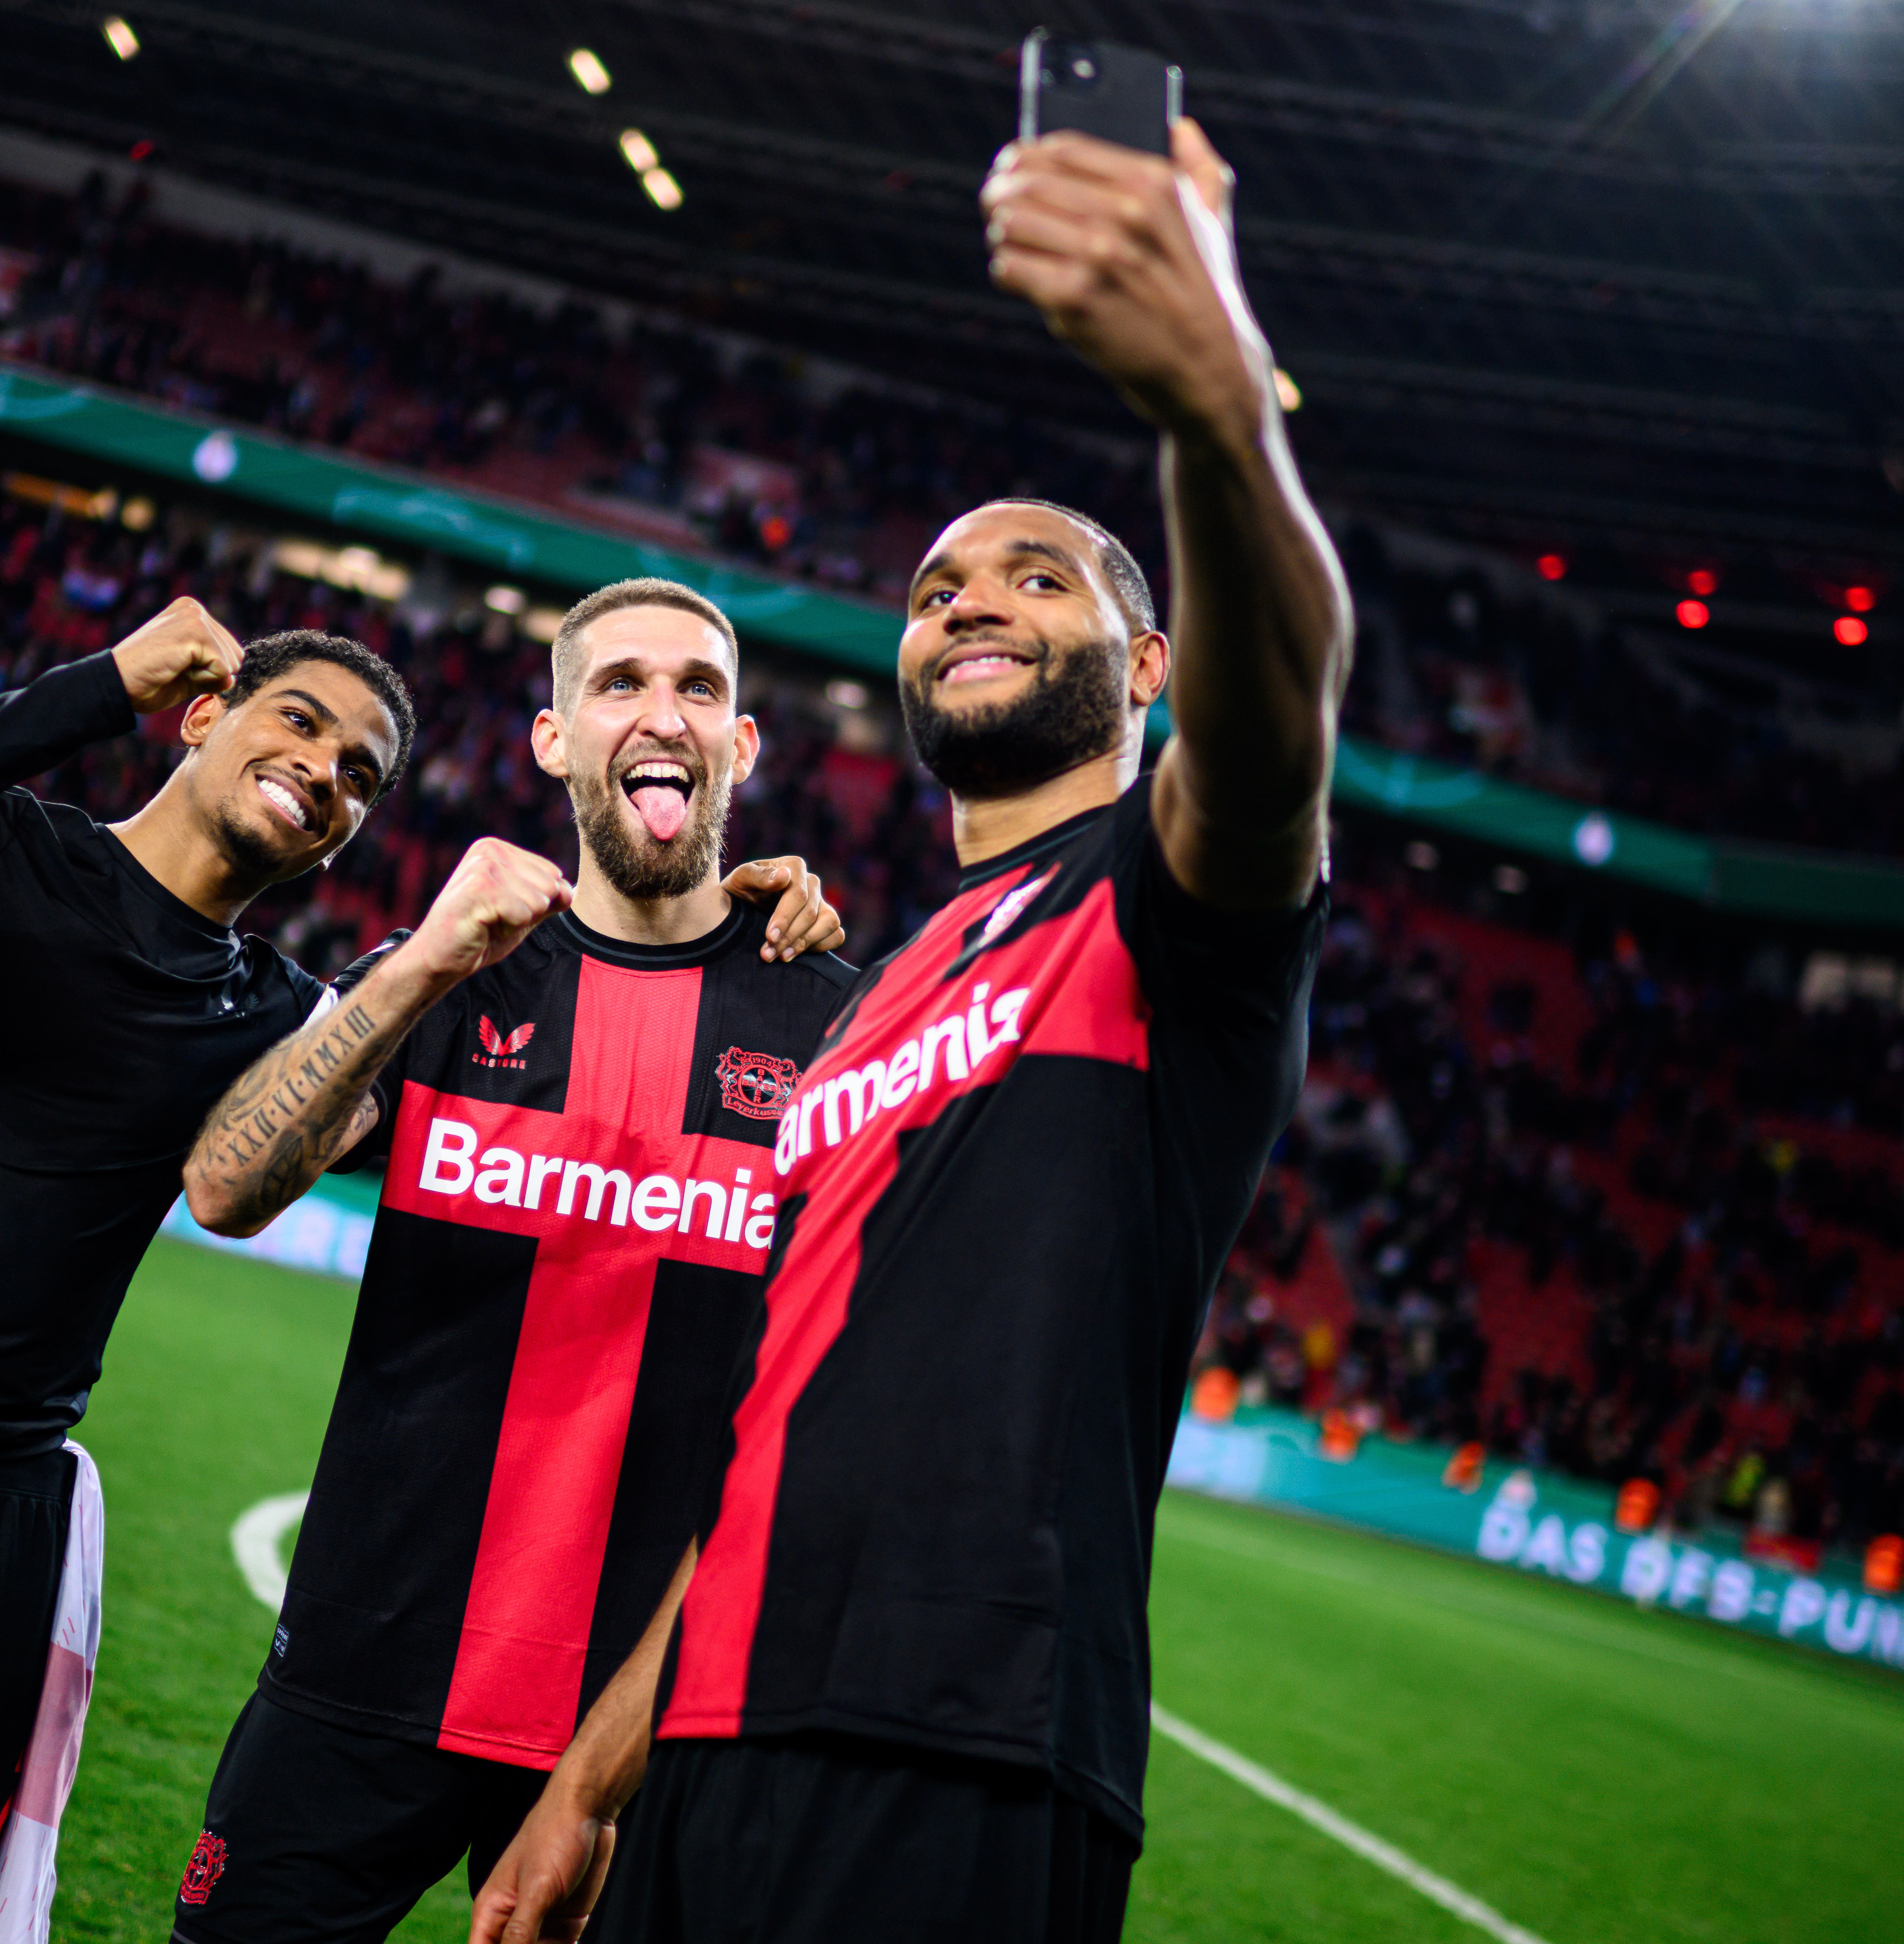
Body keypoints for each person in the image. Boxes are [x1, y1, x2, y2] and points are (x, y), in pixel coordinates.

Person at [0, 594, 839, 1944]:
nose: (324, 773)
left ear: (746, 739)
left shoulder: (270, 1004)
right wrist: (101, 684)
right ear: (203, 716)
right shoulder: (3, 853)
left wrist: (770, 923)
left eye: (360, 774)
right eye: (298, 725)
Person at [472, 117, 1352, 1944]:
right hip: (707, 1753)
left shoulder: (1161, 903)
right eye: (942, 585)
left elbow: (1280, 738)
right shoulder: (873, 994)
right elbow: (775, 1428)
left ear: (1150, 662)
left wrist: (1213, 411)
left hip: (962, 1751)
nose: (971, 601)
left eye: (1040, 580)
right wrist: (587, 1781)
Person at [167, 579, 859, 1944]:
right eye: (618, 685)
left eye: (700, 690)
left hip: (641, 1736)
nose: (662, 714)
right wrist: (420, 961)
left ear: (746, 748)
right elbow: (224, 1187)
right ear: (552, 740)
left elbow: (830, 1424)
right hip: (367, 1671)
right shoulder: (453, 972)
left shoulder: (836, 1027)